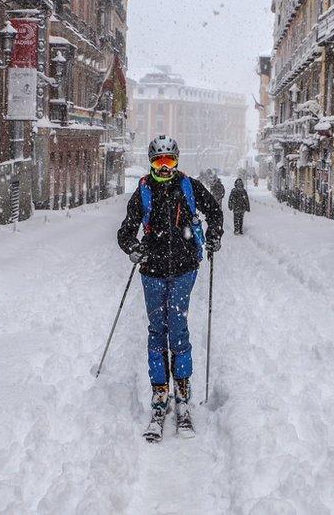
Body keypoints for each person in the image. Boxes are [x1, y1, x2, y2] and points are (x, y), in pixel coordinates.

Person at [117, 135, 224, 441]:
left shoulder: (188, 186)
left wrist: (215, 235)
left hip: (184, 268)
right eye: (158, 162)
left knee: (177, 327)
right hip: (151, 269)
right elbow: (126, 229)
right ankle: (160, 389)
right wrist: (132, 246)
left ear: (177, 161)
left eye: (169, 161)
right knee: (156, 329)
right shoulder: (143, 191)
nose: (164, 167)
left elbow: (215, 212)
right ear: (151, 162)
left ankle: (183, 388)